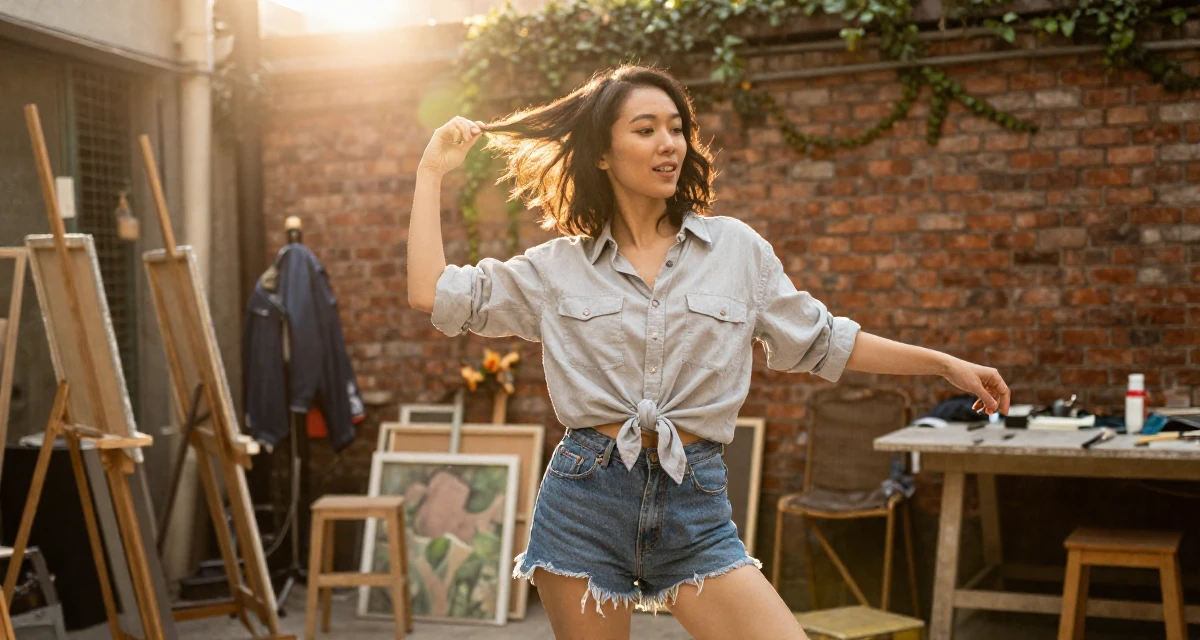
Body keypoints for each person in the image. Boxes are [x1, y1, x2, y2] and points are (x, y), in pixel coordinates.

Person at [407, 65, 1010, 640]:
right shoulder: (555, 268)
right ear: (602, 153)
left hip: (693, 501)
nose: (669, 143)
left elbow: (825, 341)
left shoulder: (736, 251)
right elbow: (431, 293)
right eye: (645, 130)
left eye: (676, 128)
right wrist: (431, 172)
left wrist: (941, 363)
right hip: (584, 499)